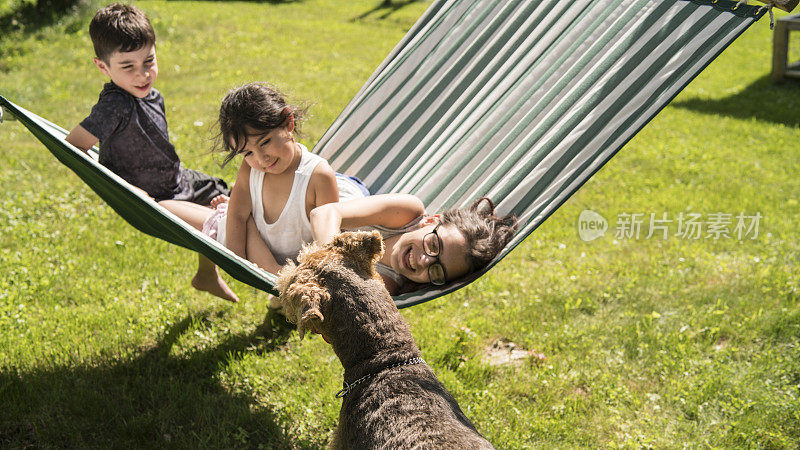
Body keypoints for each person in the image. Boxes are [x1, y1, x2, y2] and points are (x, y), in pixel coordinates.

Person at [64, 3, 234, 300]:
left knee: (222, 195)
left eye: (149, 61)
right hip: (153, 195)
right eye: (128, 66)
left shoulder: (154, 96)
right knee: (222, 221)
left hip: (176, 180)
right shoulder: (114, 105)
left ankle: (207, 274)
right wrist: (127, 191)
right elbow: (73, 145)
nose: (143, 74)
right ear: (103, 67)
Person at [308, 194, 518, 295]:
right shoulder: (407, 212)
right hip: (317, 195)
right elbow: (324, 212)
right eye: (434, 244)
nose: (425, 260)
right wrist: (333, 270)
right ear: (429, 221)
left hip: (294, 244)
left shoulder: (385, 285)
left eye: (437, 270)